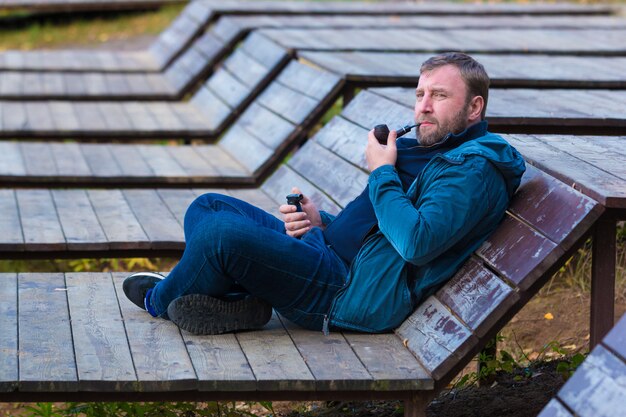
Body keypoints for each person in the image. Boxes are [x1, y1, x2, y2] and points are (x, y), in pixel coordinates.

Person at [123, 52, 526, 335]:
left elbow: (416, 243)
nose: (423, 107)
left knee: (218, 238)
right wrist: (321, 221)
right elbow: (374, 226)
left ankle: (162, 299)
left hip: (344, 291)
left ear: (474, 109)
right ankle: (236, 298)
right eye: (420, 94)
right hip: (325, 252)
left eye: (439, 96)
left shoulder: (472, 170)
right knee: (208, 206)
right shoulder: (426, 147)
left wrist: (382, 170)